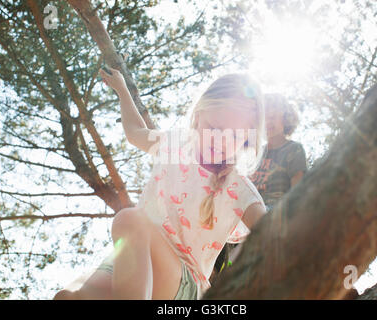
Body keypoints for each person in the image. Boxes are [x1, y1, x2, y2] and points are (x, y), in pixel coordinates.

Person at [54, 72, 268, 300]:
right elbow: (135, 133)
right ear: (198, 115)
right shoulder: (175, 145)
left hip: (182, 282)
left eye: (235, 136)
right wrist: (122, 91)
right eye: (214, 128)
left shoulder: (238, 187)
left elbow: (271, 231)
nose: (221, 141)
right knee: (67, 296)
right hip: (135, 259)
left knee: (130, 220)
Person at [211, 92, 307, 279]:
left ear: (286, 119)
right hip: (245, 210)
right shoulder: (252, 154)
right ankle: (212, 276)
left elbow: (299, 188)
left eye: (273, 117)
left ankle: (232, 274)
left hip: (274, 210)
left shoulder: (293, 149)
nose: (268, 122)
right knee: (219, 228)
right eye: (264, 118)